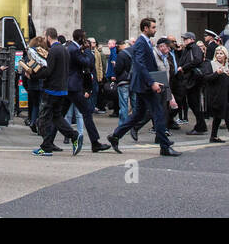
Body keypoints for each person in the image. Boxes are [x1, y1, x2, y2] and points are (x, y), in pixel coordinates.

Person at [108, 18, 179, 157]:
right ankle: (164, 146)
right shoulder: (141, 43)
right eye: (153, 27)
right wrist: (152, 82)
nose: (155, 29)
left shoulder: (146, 42)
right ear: (145, 28)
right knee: (158, 113)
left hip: (142, 85)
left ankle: (115, 136)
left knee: (138, 114)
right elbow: (140, 65)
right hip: (144, 85)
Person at [33, 27, 82, 156]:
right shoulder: (64, 50)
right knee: (56, 117)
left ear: (49, 37)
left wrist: (33, 73)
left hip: (52, 89)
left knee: (44, 118)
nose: (44, 40)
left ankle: (47, 146)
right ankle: (72, 136)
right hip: (62, 89)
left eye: (45, 37)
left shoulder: (54, 51)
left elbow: (48, 71)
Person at [63, 29, 110, 152]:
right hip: (74, 86)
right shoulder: (75, 50)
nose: (85, 41)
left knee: (60, 114)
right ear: (80, 38)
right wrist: (87, 50)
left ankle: (48, 141)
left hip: (69, 86)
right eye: (84, 38)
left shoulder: (70, 47)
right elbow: (88, 62)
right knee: (86, 113)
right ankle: (95, 142)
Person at [203, 46, 229, 143]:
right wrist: (216, 73)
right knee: (227, 114)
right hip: (215, 95)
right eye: (217, 53)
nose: (219, 55)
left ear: (225, 55)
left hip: (225, 94)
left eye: (221, 53)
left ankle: (213, 137)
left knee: (218, 116)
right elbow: (206, 78)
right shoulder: (211, 64)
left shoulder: (227, 65)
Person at [177, 33, 205, 133]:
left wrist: (184, 68)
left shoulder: (194, 48)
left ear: (192, 39)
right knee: (193, 103)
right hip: (189, 80)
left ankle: (200, 127)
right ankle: (201, 125)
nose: (184, 40)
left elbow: (197, 60)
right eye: (184, 38)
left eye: (186, 39)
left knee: (194, 103)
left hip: (193, 80)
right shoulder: (187, 49)